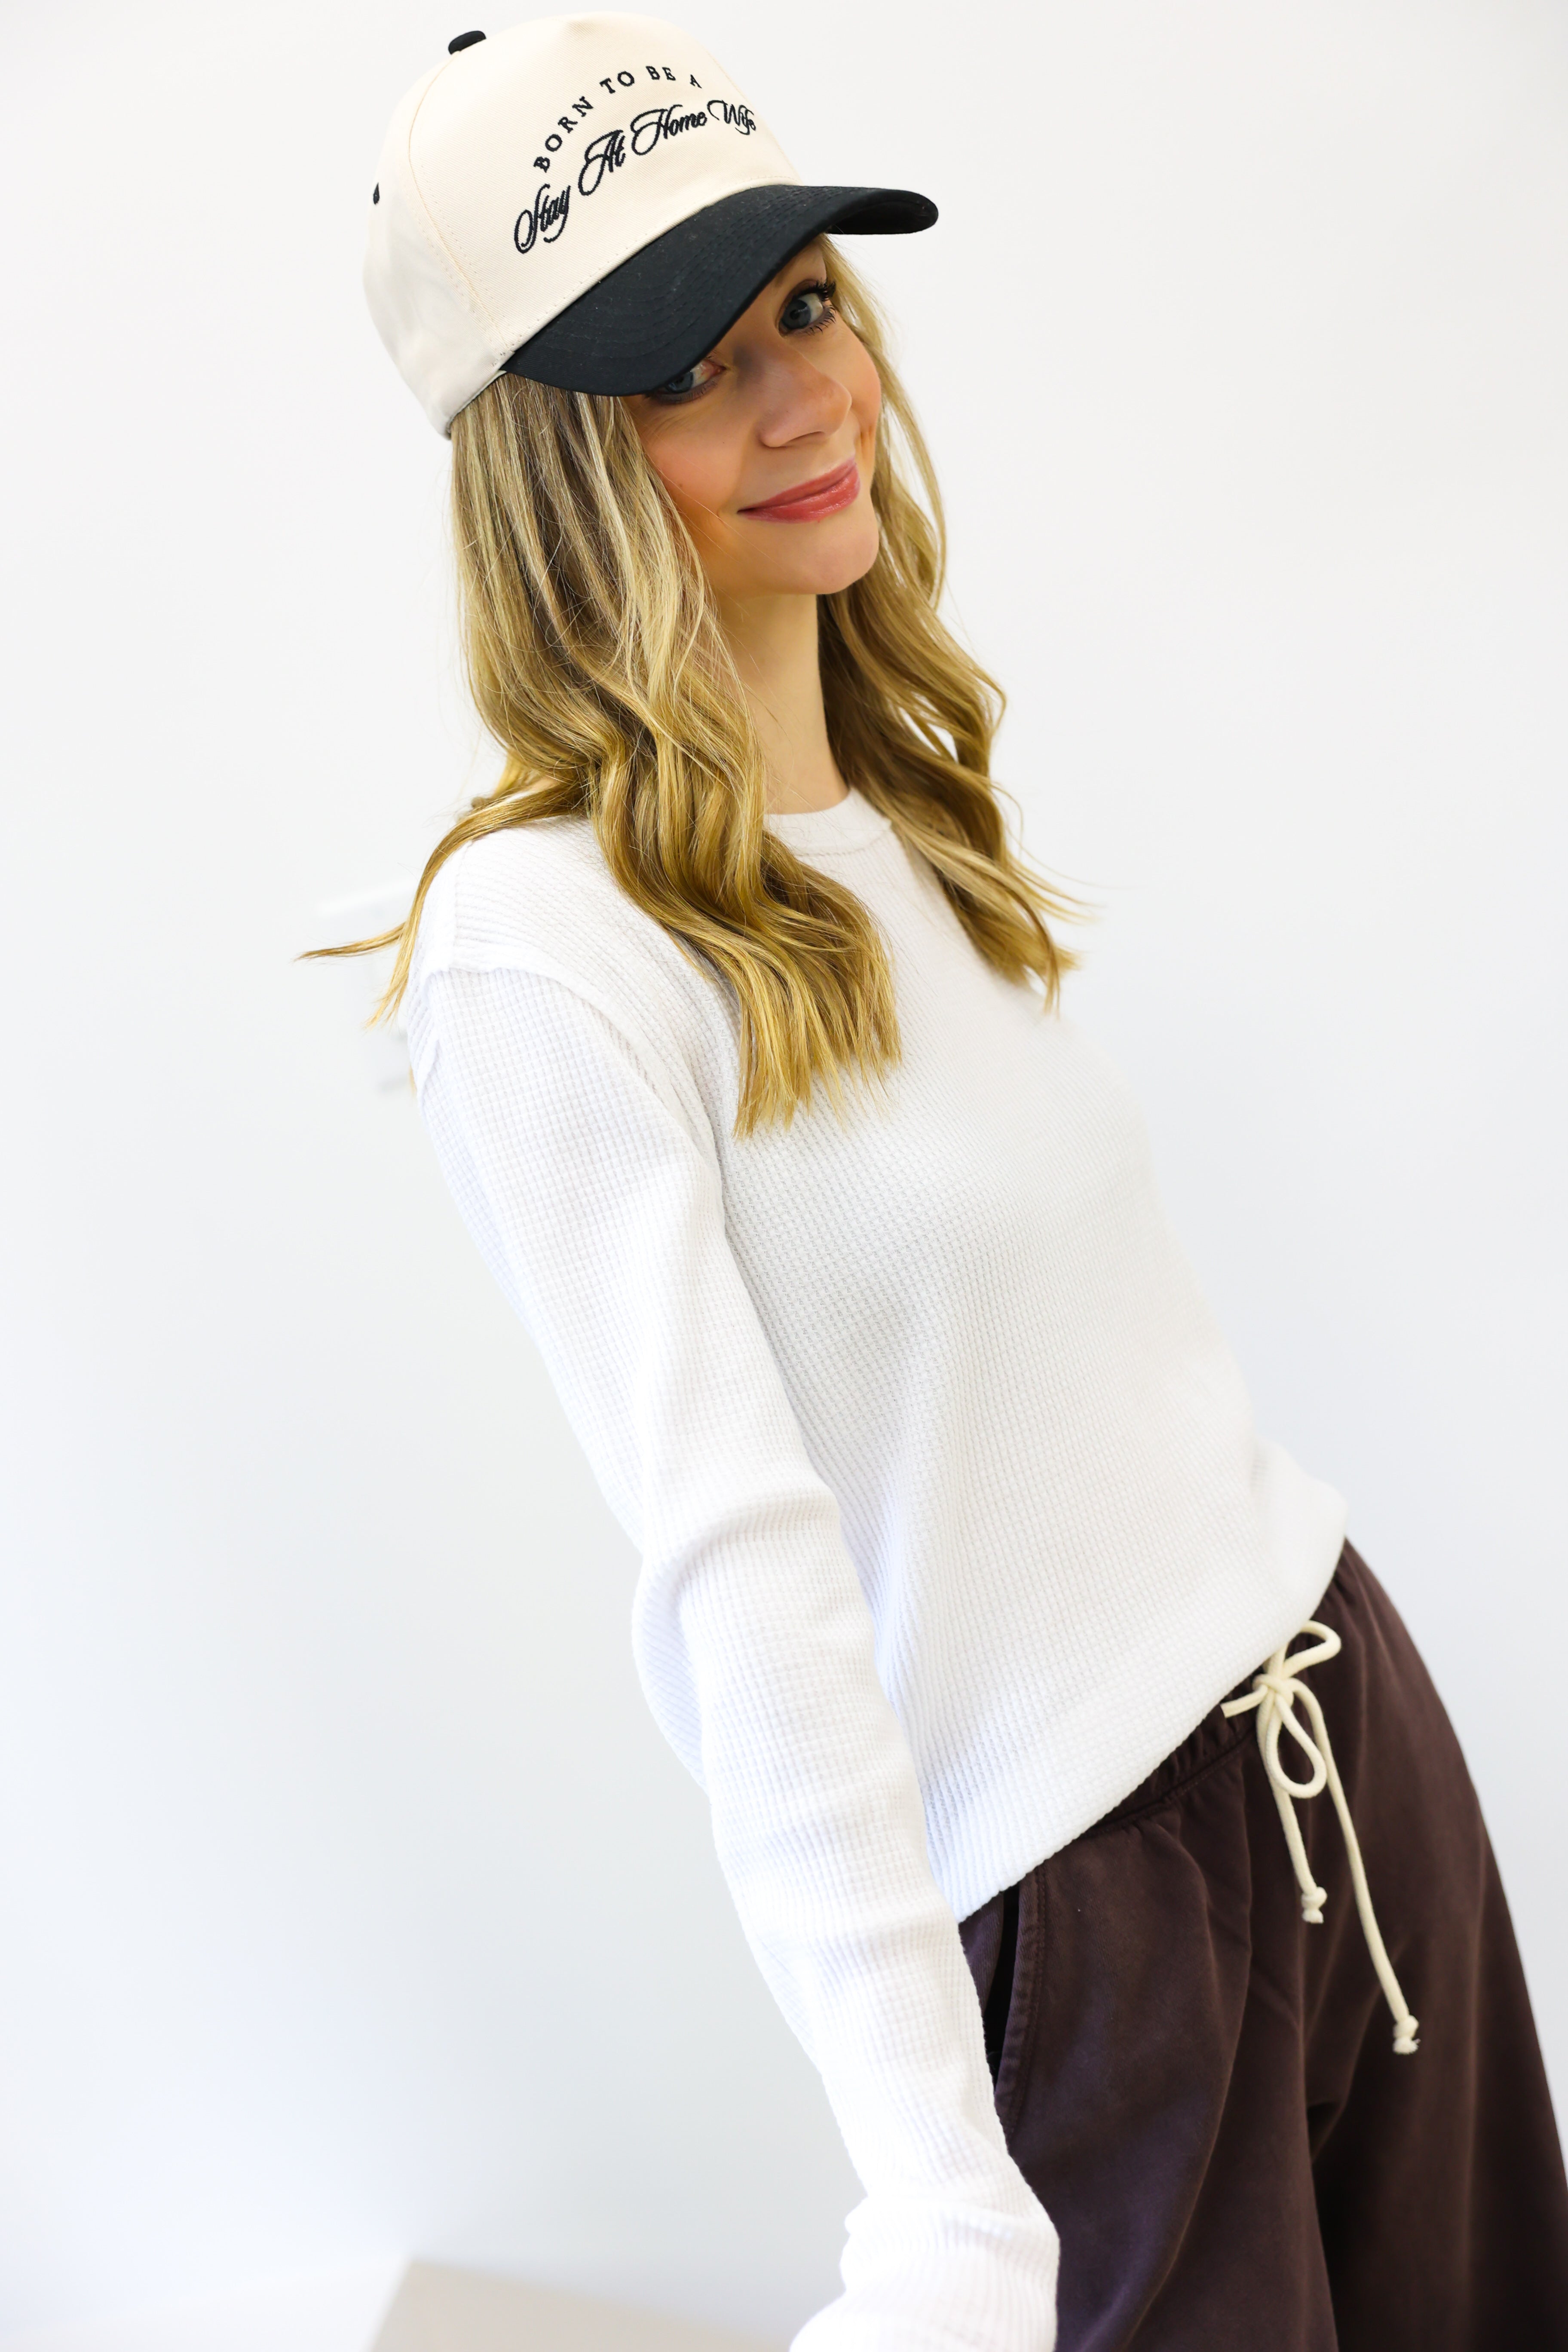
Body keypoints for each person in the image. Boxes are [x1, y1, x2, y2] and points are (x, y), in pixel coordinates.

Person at [339, 17, 1568, 2347]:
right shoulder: (546, 953)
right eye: (701, 370)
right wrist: (933, 2186)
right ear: (561, 475)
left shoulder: (906, 823)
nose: (811, 398)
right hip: (1098, 1931)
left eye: (807, 303)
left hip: (1341, 1731)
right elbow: (741, 1586)